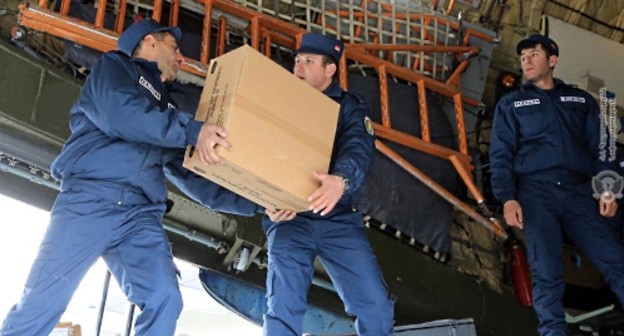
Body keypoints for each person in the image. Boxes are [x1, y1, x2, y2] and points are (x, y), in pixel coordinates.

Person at [0, 19, 261, 336]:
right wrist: (193, 130)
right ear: (150, 41)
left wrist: (259, 203)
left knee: (164, 298)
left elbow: (192, 175)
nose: (181, 58)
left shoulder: (165, 105)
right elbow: (122, 115)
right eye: (174, 48)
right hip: (90, 203)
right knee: (42, 303)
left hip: (138, 216)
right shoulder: (114, 69)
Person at [489, 34, 624, 336]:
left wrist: (608, 188)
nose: (526, 60)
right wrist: (507, 199)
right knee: (546, 271)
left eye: (534, 54)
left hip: (578, 192)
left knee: (616, 260)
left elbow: (602, 148)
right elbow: (500, 155)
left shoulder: (579, 100)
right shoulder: (512, 104)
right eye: (523, 56)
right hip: (536, 193)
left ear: (553, 60)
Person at [261, 32, 394, 336]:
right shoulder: (279, 102)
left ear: (330, 69)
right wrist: (265, 201)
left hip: (337, 219)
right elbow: (257, 151)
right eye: (297, 61)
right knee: (283, 305)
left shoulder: (349, 108)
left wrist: (340, 181)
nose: (299, 67)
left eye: (308, 61)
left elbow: (358, 148)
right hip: (289, 217)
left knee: (375, 304)